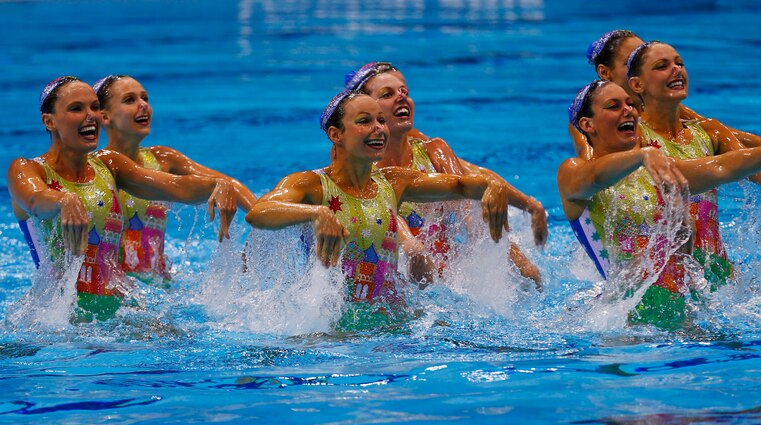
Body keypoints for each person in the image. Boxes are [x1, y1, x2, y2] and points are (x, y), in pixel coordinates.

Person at [558, 80, 761, 326]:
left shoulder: (658, 171)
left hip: (678, 315)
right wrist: (642, 155)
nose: (628, 111)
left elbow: (720, 168)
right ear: (587, 124)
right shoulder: (573, 173)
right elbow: (597, 177)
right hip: (625, 326)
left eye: (629, 104)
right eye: (613, 106)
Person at [245, 91, 508, 304]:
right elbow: (259, 213)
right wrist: (317, 213)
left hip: (391, 319)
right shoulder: (311, 185)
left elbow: (460, 185)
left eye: (381, 121)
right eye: (364, 121)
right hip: (331, 328)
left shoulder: (394, 182)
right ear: (336, 135)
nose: (379, 129)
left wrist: (490, 187)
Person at [8, 76, 238, 319]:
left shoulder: (108, 164)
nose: (91, 115)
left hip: (119, 310)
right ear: (49, 121)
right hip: (59, 318)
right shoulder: (28, 169)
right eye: (77, 108)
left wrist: (216, 185)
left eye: (95, 107)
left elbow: (175, 187)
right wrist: (63, 200)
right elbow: (34, 199)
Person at [625, 40, 761, 260]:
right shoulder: (634, 137)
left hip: (715, 271)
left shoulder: (710, 132)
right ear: (637, 85)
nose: (676, 70)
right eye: (662, 66)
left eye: (680, 64)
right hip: (657, 272)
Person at [570, 30, 761, 206]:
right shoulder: (596, 125)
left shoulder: (684, 121)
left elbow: (726, 134)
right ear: (608, 73)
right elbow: (594, 177)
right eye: (634, 59)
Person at [345, 62, 547, 288]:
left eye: (404, 91)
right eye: (387, 94)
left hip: (447, 283)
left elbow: (471, 205)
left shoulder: (432, 150)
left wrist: (522, 262)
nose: (401, 97)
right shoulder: (361, 173)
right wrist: (413, 248)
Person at [94, 75, 256, 278]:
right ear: (104, 116)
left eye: (145, 98)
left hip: (159, 287)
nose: (143, 105)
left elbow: (230, 183)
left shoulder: (163, 159)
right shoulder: (98, 167)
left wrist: (259, 215)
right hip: (116, 291)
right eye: (130, 100)